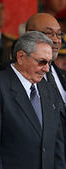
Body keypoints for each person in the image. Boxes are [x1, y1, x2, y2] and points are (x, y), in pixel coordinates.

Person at [0, 31, 65, 169]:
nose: (47, 69)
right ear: (21, 57)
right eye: (42, 62)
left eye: (50, 62)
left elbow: (57, 143)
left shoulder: (48, 88)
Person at [26, 13, 66, 160]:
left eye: (59, 34)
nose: (56, 40)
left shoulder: (62, 76)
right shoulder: (19, 76)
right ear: (29, 35)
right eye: (49, 34)